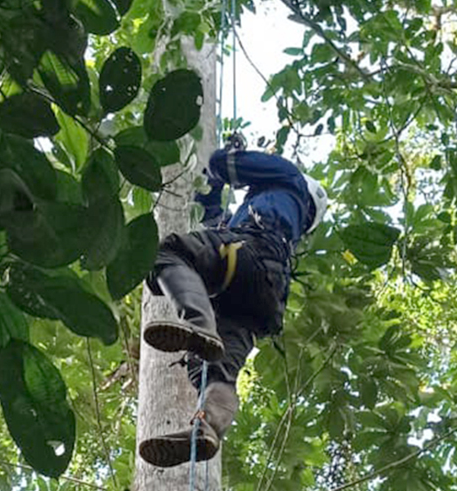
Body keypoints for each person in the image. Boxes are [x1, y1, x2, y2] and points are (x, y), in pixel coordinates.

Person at [138, 134, 327, 467]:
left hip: (249, 254)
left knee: (168, 253)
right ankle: (208, 427)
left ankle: (199, 324)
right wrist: (212, 185)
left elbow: (222, 166)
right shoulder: (284, 223)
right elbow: (213, 218)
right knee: (215, 372)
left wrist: (231, 155)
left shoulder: (289, 177)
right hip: (261, 297)